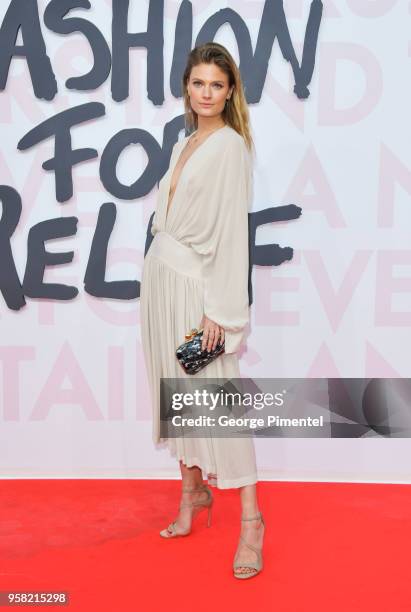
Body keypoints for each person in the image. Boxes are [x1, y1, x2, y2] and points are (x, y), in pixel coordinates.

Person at [140, 42, 265, 579]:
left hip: (198, 294)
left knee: (219, 408)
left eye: (217, 84)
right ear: (187, 88)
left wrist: (222, 311)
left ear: (230, 90)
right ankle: (193, 495)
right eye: (199, 84)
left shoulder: (231, 148)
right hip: (162, 285)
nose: (207, 93)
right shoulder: (184, 141)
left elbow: (231, 236)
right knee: (175, 394)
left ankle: (252, 524)